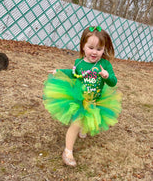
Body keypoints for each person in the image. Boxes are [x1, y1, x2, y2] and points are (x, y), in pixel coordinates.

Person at [43, 26, 122, 167]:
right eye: (91, 48)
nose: (94, 52)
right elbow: (74, 73)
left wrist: (107, 76)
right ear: (83, 47)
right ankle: (67, 151)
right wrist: (59, 71)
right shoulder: (79, 63)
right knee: (77, 122)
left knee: (89, 118)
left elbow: (113, 82)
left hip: (94, 99)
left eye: (99, 49)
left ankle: (82, 129)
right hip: (79, 99)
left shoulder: (104, 64)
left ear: (104, 49)